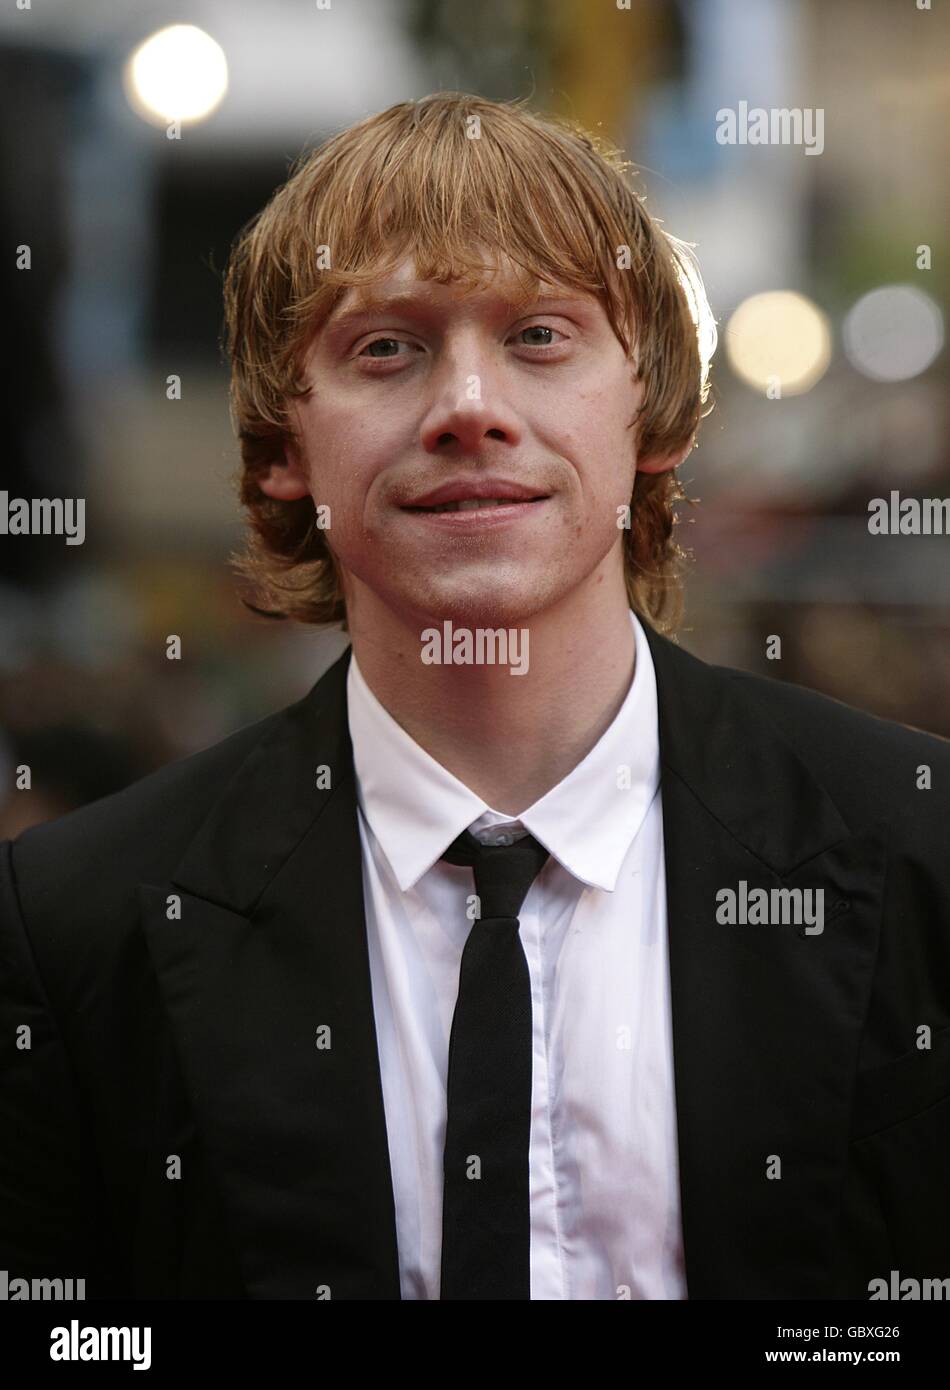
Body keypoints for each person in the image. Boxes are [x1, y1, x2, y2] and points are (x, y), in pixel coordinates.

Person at [1, 92, 948, 1302]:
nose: (467, 407)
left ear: (647, 409)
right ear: (282, 446)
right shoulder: (78, 924)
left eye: (539, 336)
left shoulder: (918, 853)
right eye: (384, 347)